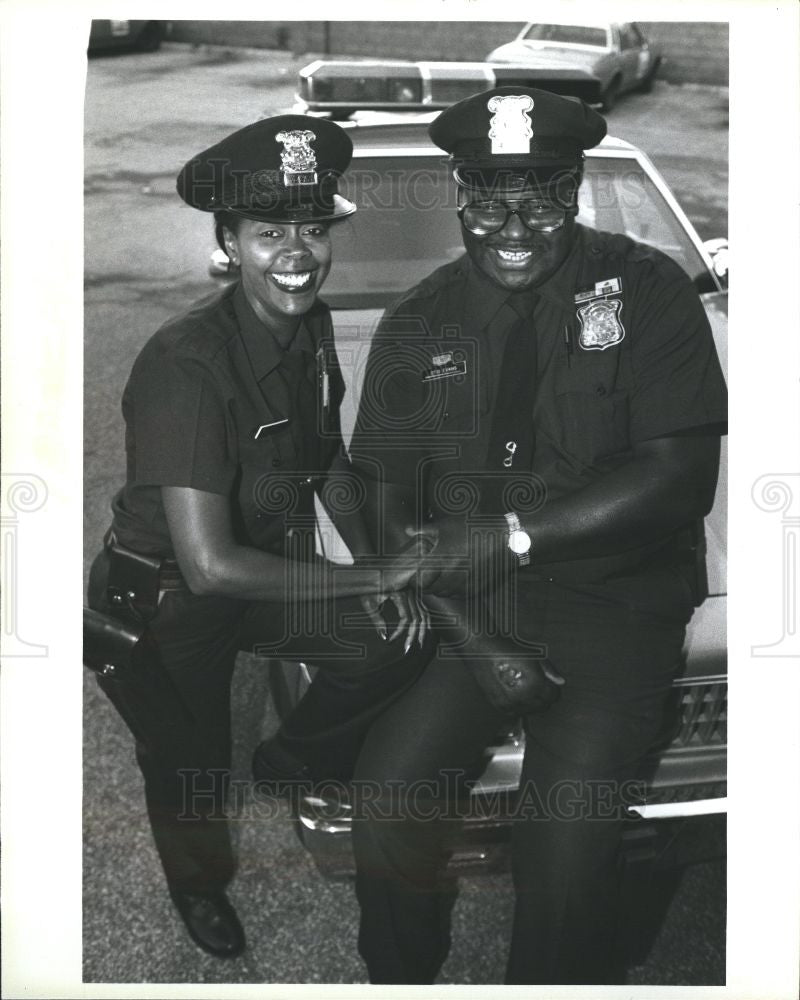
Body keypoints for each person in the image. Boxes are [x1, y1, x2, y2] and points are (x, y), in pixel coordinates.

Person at [347, 86, 727, 984]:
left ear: (577, 187)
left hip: (614, 598)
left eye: (545, 195)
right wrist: (478, 644)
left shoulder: (648, 292)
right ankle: (400, 977)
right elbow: (386, 507)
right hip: (469, 608)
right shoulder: (418, 322)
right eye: (488, 198)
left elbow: (678, 479)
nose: (515, 223)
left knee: (565, 849)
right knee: (387, 800)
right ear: (458, 194)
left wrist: (512, 536)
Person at [87, 115, 431, 960]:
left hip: (263, 568)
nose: (298, 253)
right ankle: (198, 885)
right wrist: (369, 575)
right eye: (270, 232)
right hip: (168, 598)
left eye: (313, 230)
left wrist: (379, 570)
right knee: (191, 772)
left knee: (392, 643)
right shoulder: (187, 365)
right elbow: (208, 566)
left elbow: (331, 464)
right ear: (229, 243)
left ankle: (288, 764)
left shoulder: (306, 325)